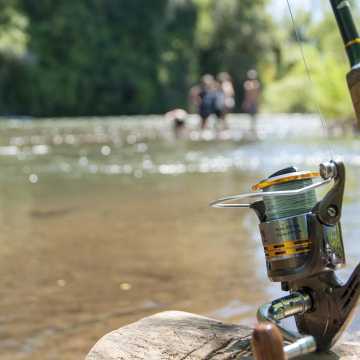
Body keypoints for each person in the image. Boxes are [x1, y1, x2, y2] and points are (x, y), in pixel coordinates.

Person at [242, 69, 261, 135]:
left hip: (253, 102)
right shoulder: (249, 84)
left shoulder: (254, 84)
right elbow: (247, 95)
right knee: (251, 115)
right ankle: (252, 128)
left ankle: (253, 128)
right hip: (251, 102)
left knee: (253, 115)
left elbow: (257, 94)